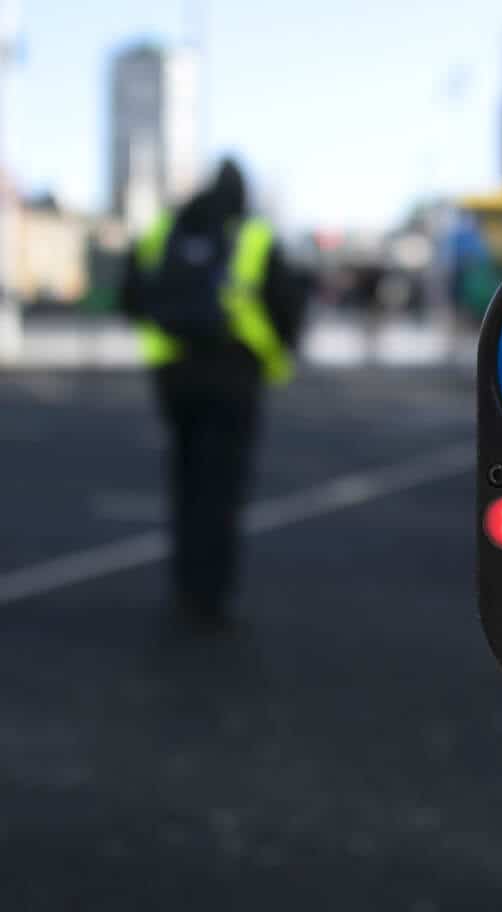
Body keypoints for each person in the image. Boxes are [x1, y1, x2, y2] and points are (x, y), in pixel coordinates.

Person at [119, 159, 303, 629]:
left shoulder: (165, 229)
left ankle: (183, 587)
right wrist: (276, 355)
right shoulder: (255, 235)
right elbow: (286, 304)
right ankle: (211, 597)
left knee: (184, 481)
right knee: (221, 490)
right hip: (234, 377)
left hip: (174, 377)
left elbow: (130, 297)